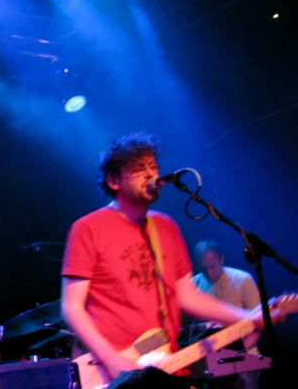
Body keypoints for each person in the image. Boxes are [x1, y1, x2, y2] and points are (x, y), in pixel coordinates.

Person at [61, 132, 270, 385]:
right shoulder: (88, 228)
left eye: (153, 166)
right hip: (113, 371)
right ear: (113, 180)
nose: (151, 174)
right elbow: (72, 307)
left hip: (165, 365)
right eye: (139, 168)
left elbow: (188, 296)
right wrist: (115, 362)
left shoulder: (166, 227)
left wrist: (251, 317)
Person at [192, 240, 262, 389]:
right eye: (205, 269)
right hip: (210, 362)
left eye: (212, 267)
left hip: (244, 357)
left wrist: (238, 351)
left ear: (222, 260)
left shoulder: (243, 280)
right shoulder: (194, 285)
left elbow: (259, 323)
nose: (209, 273)